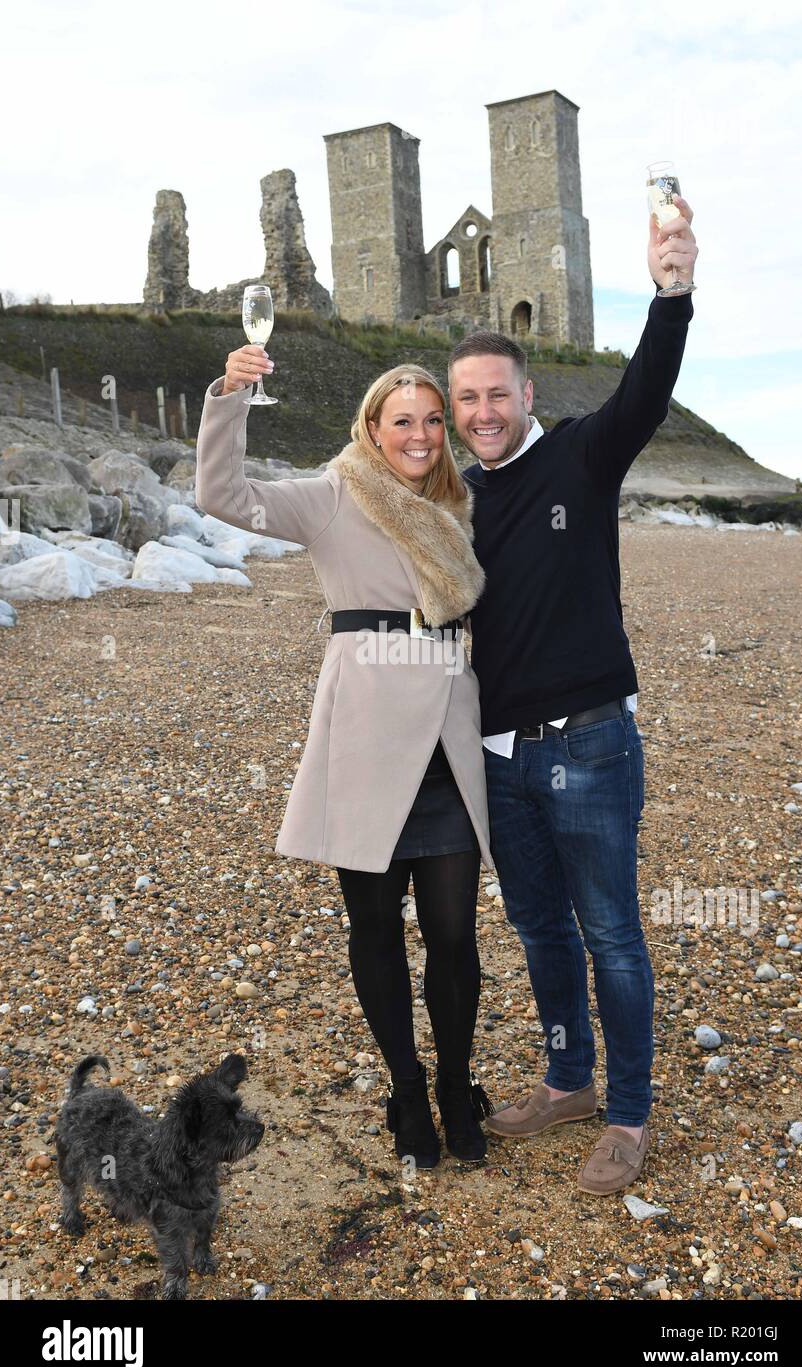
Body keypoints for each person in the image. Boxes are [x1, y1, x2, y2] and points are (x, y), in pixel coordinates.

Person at [445, 196, 699, 1195]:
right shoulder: (456, 501)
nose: (481, 412)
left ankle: (627, 1111)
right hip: (500, 758)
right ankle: (566, 1078)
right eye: (465, 399)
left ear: (525, 389)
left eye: (494, 394)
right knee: (540, 932)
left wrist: (668, 296)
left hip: (591, 745)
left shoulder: (583, 456)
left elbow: (644, 393)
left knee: (610, 934)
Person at [194, 351, 495, 1167]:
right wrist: (233, 395)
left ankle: (456, 1086)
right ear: (372, 427)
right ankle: (406, 1088)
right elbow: (223, 495)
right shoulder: (334, 495)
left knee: (454, 935)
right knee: (373, 928)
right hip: (365, 739)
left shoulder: (458, 506)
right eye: (404, 420)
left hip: (445, 744)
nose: (422, 434)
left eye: (434, 419)